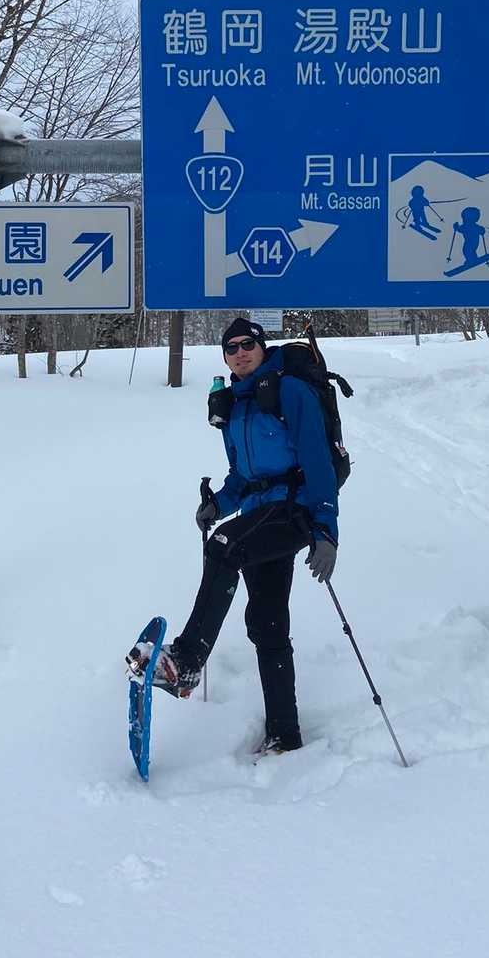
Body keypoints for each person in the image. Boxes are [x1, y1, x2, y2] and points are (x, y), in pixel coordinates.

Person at [130, 317, 339, 756]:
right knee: (267, 623)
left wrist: (325, 530)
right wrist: (219, 505)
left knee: (224, 546)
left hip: (295, 509)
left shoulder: (290, 391)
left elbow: (318, 461)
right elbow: (242, 477)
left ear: (262, 347)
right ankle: (284, 733)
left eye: (248, 344)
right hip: (258, 515)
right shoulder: (235, 405)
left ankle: (187, 660)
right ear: (224, 357)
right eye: (231, 348)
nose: (240, 353)